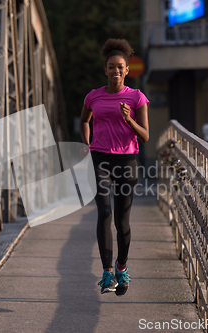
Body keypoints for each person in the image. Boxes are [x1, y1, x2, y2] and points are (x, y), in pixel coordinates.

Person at [79, 39, 149, 296]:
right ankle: (108, 273)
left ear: (127, 70)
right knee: (104, 213)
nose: (116, 71)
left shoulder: (136, 97)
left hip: (127, 161)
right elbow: (84, 120)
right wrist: (87, 145)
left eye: (120, 67)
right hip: (100, 159)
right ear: (105, 69)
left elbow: (145, 136)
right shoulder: (93, 96)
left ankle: (122, 268)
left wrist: (128, 118)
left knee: (122, 221)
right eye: (111, 67)